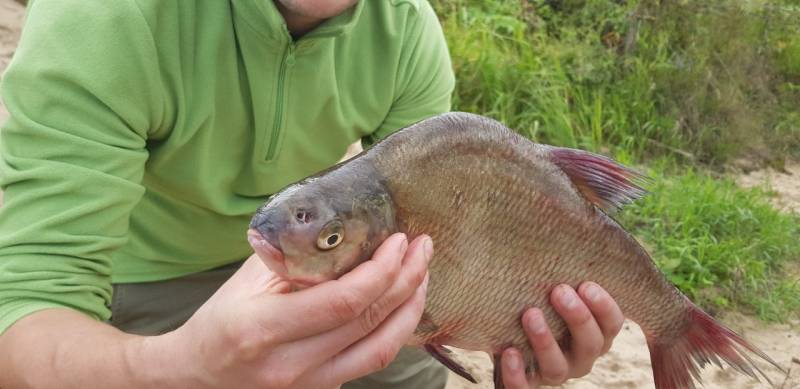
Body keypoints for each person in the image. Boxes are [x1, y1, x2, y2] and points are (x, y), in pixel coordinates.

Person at [0, 0, 625, 388]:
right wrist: (182, 367)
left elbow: (440, 234)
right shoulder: (105, 15)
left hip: (316, 257)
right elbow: (21, 322)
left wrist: (507, 318)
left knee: (410, 369)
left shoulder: (407, 32)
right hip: (139, 280)